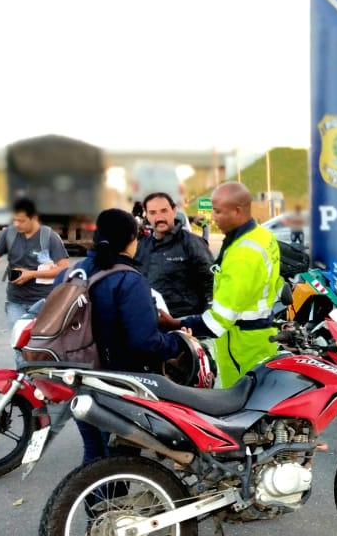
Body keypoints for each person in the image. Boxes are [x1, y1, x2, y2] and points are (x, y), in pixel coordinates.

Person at [60, 209, 185, 465]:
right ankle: (113, 506)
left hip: (78, 375)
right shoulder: (128, 279)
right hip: (118, 383)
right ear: (132, 238)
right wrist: (176, 344)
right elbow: (144, 341)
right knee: (119, 460)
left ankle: (91, 504)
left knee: (94, 453)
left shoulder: (73, 273)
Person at [164, 182, 283, 388]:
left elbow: (217, 321)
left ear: (238, 211)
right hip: (262, 337)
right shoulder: (261, 236)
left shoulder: (243, 255)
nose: (213, 217)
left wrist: (175, 324)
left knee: (243, 411)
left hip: (242, 348)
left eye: (218, 212)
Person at [0, 198, 69, 346]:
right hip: (16, 302)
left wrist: (31, 274)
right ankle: (21, 370)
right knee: (19, 346)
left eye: (21, 221)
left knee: (42, 347)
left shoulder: (49, 237)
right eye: (14, 220)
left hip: (43, 302)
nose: (16, 224)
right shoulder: (8, 234)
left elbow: (63, 268)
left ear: (34, 218)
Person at [134, 192, 214, 316]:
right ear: (147, 215)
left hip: (185, 323)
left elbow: (211, 282)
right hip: (151, 322)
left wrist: (204, 321)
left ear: (174, 211)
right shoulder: (141, 246)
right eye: (153, 212)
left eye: (164, 211)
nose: (159, 217)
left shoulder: (192, 243)